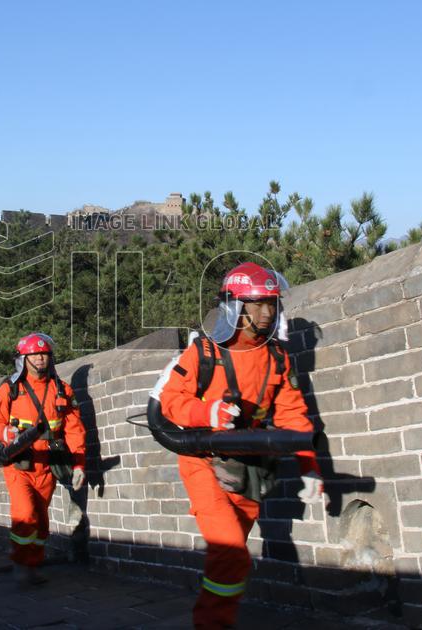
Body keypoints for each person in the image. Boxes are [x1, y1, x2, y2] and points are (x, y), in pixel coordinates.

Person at [153, 262, 324, 630]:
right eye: (256, 304)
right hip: (202, 460)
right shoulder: (205, 352)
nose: (266, 313)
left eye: (271, 304)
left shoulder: (277, 358)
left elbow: (294, 414)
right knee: (232, 553)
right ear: (234, 306)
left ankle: (215, 617)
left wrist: (310, 466)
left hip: (247, 467)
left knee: (229, 559)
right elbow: (170, 401)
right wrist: (207, 411)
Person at [0, 332, 87, 587]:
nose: (40, 359)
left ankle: (34, 562)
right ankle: (20, 563)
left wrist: (79, 464)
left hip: (48, 464)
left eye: (44, 354)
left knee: (41, 519)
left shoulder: (62, 390)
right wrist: (6, 432)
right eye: (34, 355)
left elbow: (74, 429)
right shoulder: (10, 389)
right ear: (23, 359)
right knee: (25, 514)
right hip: (19, 463)